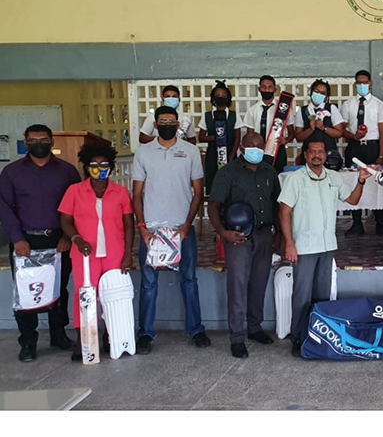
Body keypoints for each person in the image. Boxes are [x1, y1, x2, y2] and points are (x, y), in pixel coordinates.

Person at [278, 132, 371, 357]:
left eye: (321, 152)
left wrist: (360, 181)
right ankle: (298, 337)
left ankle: (316, 335)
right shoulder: (296, 179)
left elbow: (353, 200)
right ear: (305, 155)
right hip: (304, 246)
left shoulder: (333, 177)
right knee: (302, 295)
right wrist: (289, 243)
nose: (318, 156)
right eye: (313, 152)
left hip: (327, 245)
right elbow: (284, 211)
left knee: (321, 295)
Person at [132, 105, 210, 354]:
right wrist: (142, 227)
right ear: (155, 125)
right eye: (162, 122)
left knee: (189, 280)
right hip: (152, 231)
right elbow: (136, 194)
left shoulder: (190, 151)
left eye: (171, 121)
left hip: (181, 229)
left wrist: (187, 225)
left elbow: (198, 191)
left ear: (178, 125)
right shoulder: (143, 153)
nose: (166, 125)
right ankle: (145, 333)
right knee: (148, 284)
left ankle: (195, 329)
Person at [0, 124, 79, 362]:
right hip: (26, 241)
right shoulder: (11, 172)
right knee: (26, 293)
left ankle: (58, 335)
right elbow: (4, 207)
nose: (38, 144)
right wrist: (17, 240)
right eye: (32, 140)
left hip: (58, 240)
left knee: (59, 289)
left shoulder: (67, 171)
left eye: (43, 139)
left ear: (52, 141)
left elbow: (76, 206)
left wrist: (68, 236)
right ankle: (28, 342)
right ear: (25, 142)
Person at [208, 132, 281, 358]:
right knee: (238, 287)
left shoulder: (270, 171)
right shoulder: (228, 173)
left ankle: (254, 327)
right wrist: (222, 233)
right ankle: (237, 337)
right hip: (237, 237)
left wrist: (279, 233)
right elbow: (213, 205)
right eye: (250, 145)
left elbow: (277, 204)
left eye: (259, 146)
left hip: (264, 234)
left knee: (259, 284)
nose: (254, 149)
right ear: (241, 147)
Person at [59, 143, 135, 361]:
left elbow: (129, 224)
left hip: (115, 253)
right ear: (86, 167)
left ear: (111, 167)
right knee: (83, 296)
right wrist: (76, 239)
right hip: (85, 254)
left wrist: (128, 253)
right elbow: (65, 220)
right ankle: (84, 340)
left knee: (111, 297)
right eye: (94, 164)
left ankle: (110, 336)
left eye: (104, 165)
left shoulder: (120, 193)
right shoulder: (74, 191)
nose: (99, 168)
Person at [340, 69, 383, 236]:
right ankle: (356, 222)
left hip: (373, 146)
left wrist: (381, 155)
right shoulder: (348, 104)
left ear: (371, 84)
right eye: (359, 83)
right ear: (355, 85)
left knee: (377, 182)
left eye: (365, 82)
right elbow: (341, 130)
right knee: (354, 181)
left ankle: (380, 223)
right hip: (355, 146)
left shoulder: (379, 105)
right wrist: (353, 135)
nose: (362, 85)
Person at [198, 80, 244, 195]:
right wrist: (216, 138)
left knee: (231, 187)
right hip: (212, 156)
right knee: (214, 187)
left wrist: (231, 157)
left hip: (231, 155)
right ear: (213, 98)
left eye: (224, 95)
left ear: (228, 98)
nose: (220, 97)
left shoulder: (234, 115)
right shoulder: (207, 116)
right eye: (217, 95)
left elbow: (237, 139)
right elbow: (201, 137)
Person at [243, 75, 296, 174]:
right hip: (258, 151)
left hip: (277, 150)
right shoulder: (252, 110)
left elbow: (292, 133)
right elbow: (250, 135)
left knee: (277, 177)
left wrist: (286, 140)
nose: (266, 90)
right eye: (263, 87)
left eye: (270, 87)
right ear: (259, 89)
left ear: (275, 89)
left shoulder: (284, 109)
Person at [293, 79, 346, 155]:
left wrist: (323, 128)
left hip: (329, 152)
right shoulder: (303, 110)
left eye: (323, 93)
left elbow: (339, 133)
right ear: (311, 92)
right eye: (316, 91)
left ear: (326, 96)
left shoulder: (331, 108)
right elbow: (298, 137)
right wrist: (311, 129)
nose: (319, 95)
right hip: (309, 154)